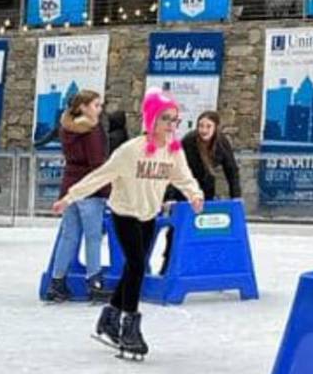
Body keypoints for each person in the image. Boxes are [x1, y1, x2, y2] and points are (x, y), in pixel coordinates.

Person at [52, 88, 204, 358]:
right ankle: (129, 324)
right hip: (124, 212)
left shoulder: (173, 151)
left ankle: (109, 315)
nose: (172, 126)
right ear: (152, 120)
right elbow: (100, 175)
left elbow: (184, 177)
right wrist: (70, 197)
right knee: (135, 264)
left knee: (135, 270)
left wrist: (194, 194)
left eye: (175, 120)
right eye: (166, 119)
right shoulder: (130, 151)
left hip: (148, 214)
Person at [44, 90, 110, 302]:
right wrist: (107, 189)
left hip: (69, 185)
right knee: (92, 237)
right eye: (96, 105)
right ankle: (95, 282)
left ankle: (57, 282)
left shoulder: (67, 127)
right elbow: (97, 163)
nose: (99, 109)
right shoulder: (91, 129)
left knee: (69, 236)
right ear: (83, 107)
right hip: (90, 188)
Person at [160, 110, 241, 272]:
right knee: (178, 229)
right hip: (183, 190)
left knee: (205, 227)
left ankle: (204, 265)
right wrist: (169, 197)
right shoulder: (189, 141)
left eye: (208, 126)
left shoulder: (222, 143)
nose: (203, 130)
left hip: (206, 190)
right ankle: (168, 265)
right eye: (201, 126)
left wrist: (236, 197)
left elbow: (231, 170)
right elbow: (175, 170)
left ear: (216, 128)